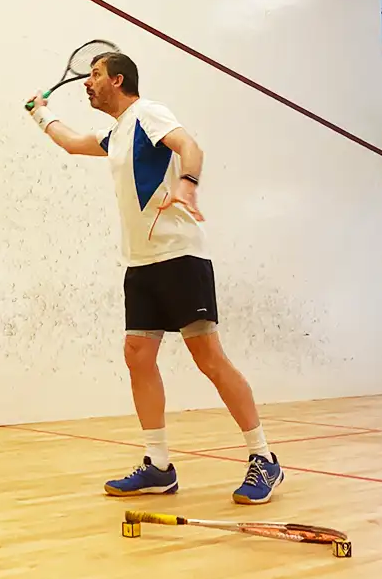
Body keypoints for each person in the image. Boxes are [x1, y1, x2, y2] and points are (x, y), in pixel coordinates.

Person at [24, 51, 283, 505]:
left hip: (180, 257)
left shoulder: (148, 114)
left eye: (96, 75)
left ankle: (264, 457)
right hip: (141, 263)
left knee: (209, 359)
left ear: (118, 79)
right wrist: (41, 114)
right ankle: (159, 466)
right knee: (137, 354)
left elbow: (190, 147)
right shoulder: (118, 134)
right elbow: (71, 142)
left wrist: (187, 183)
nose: (87, 82)